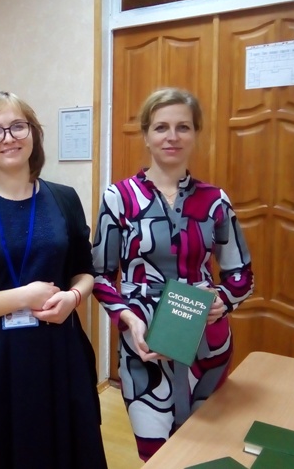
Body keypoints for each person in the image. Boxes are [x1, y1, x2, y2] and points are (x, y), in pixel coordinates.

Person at [0, 91, 108, 469]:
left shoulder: (64, 198)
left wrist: (74, 298)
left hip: (57, 356)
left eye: (17, 127)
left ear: (33, 134)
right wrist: (23, 296)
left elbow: (85, 271)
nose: (8, 138)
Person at [91, 87, 254, 461]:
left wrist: (223, 300)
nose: (172, 136)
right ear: (146, 135)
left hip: (206, 345)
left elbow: (242, 274)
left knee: (204, 455)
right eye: (161, 127)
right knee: (156, 456)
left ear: (195, 134)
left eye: (183, 127)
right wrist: (128, 319)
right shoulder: (119, 198)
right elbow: (99, 275)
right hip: (144, 347)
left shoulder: (215, 201)